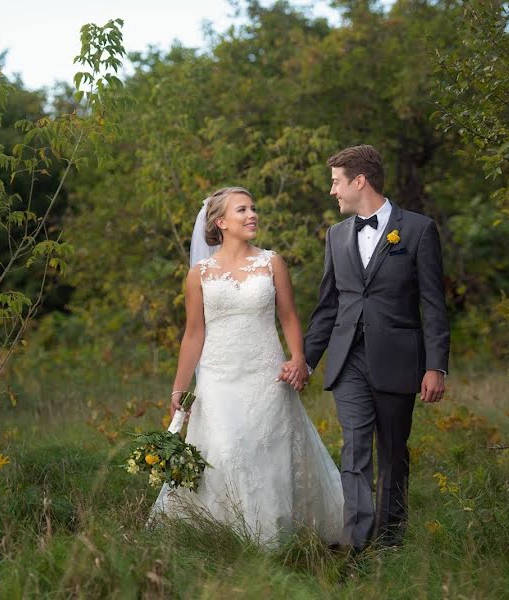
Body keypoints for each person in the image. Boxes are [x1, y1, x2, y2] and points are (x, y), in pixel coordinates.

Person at [150, 186, 343, 547]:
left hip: (265, 374)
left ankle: (274, 538)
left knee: (267, 451)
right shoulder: (199, 274)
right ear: (221, 222)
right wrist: (179, 389)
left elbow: (288, 316)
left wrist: (298, 357)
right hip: (218, 376)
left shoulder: (272, 262)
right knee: (225, 449)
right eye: (242, 210)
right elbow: (193, 334)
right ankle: (223, 535)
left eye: (253, 208)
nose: (252, 215)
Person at [300, 145, 450, 551]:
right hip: (348, 358)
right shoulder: (336, 236)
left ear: (359, 180)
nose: (333, 192)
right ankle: (355, 544)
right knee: (355, 447)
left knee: (393, 452)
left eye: (336, 182)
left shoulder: (418, 230)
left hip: (399, 359)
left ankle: (389, 541)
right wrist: (305, 361)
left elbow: (434, 304)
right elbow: (327, 306)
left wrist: (436, 366)